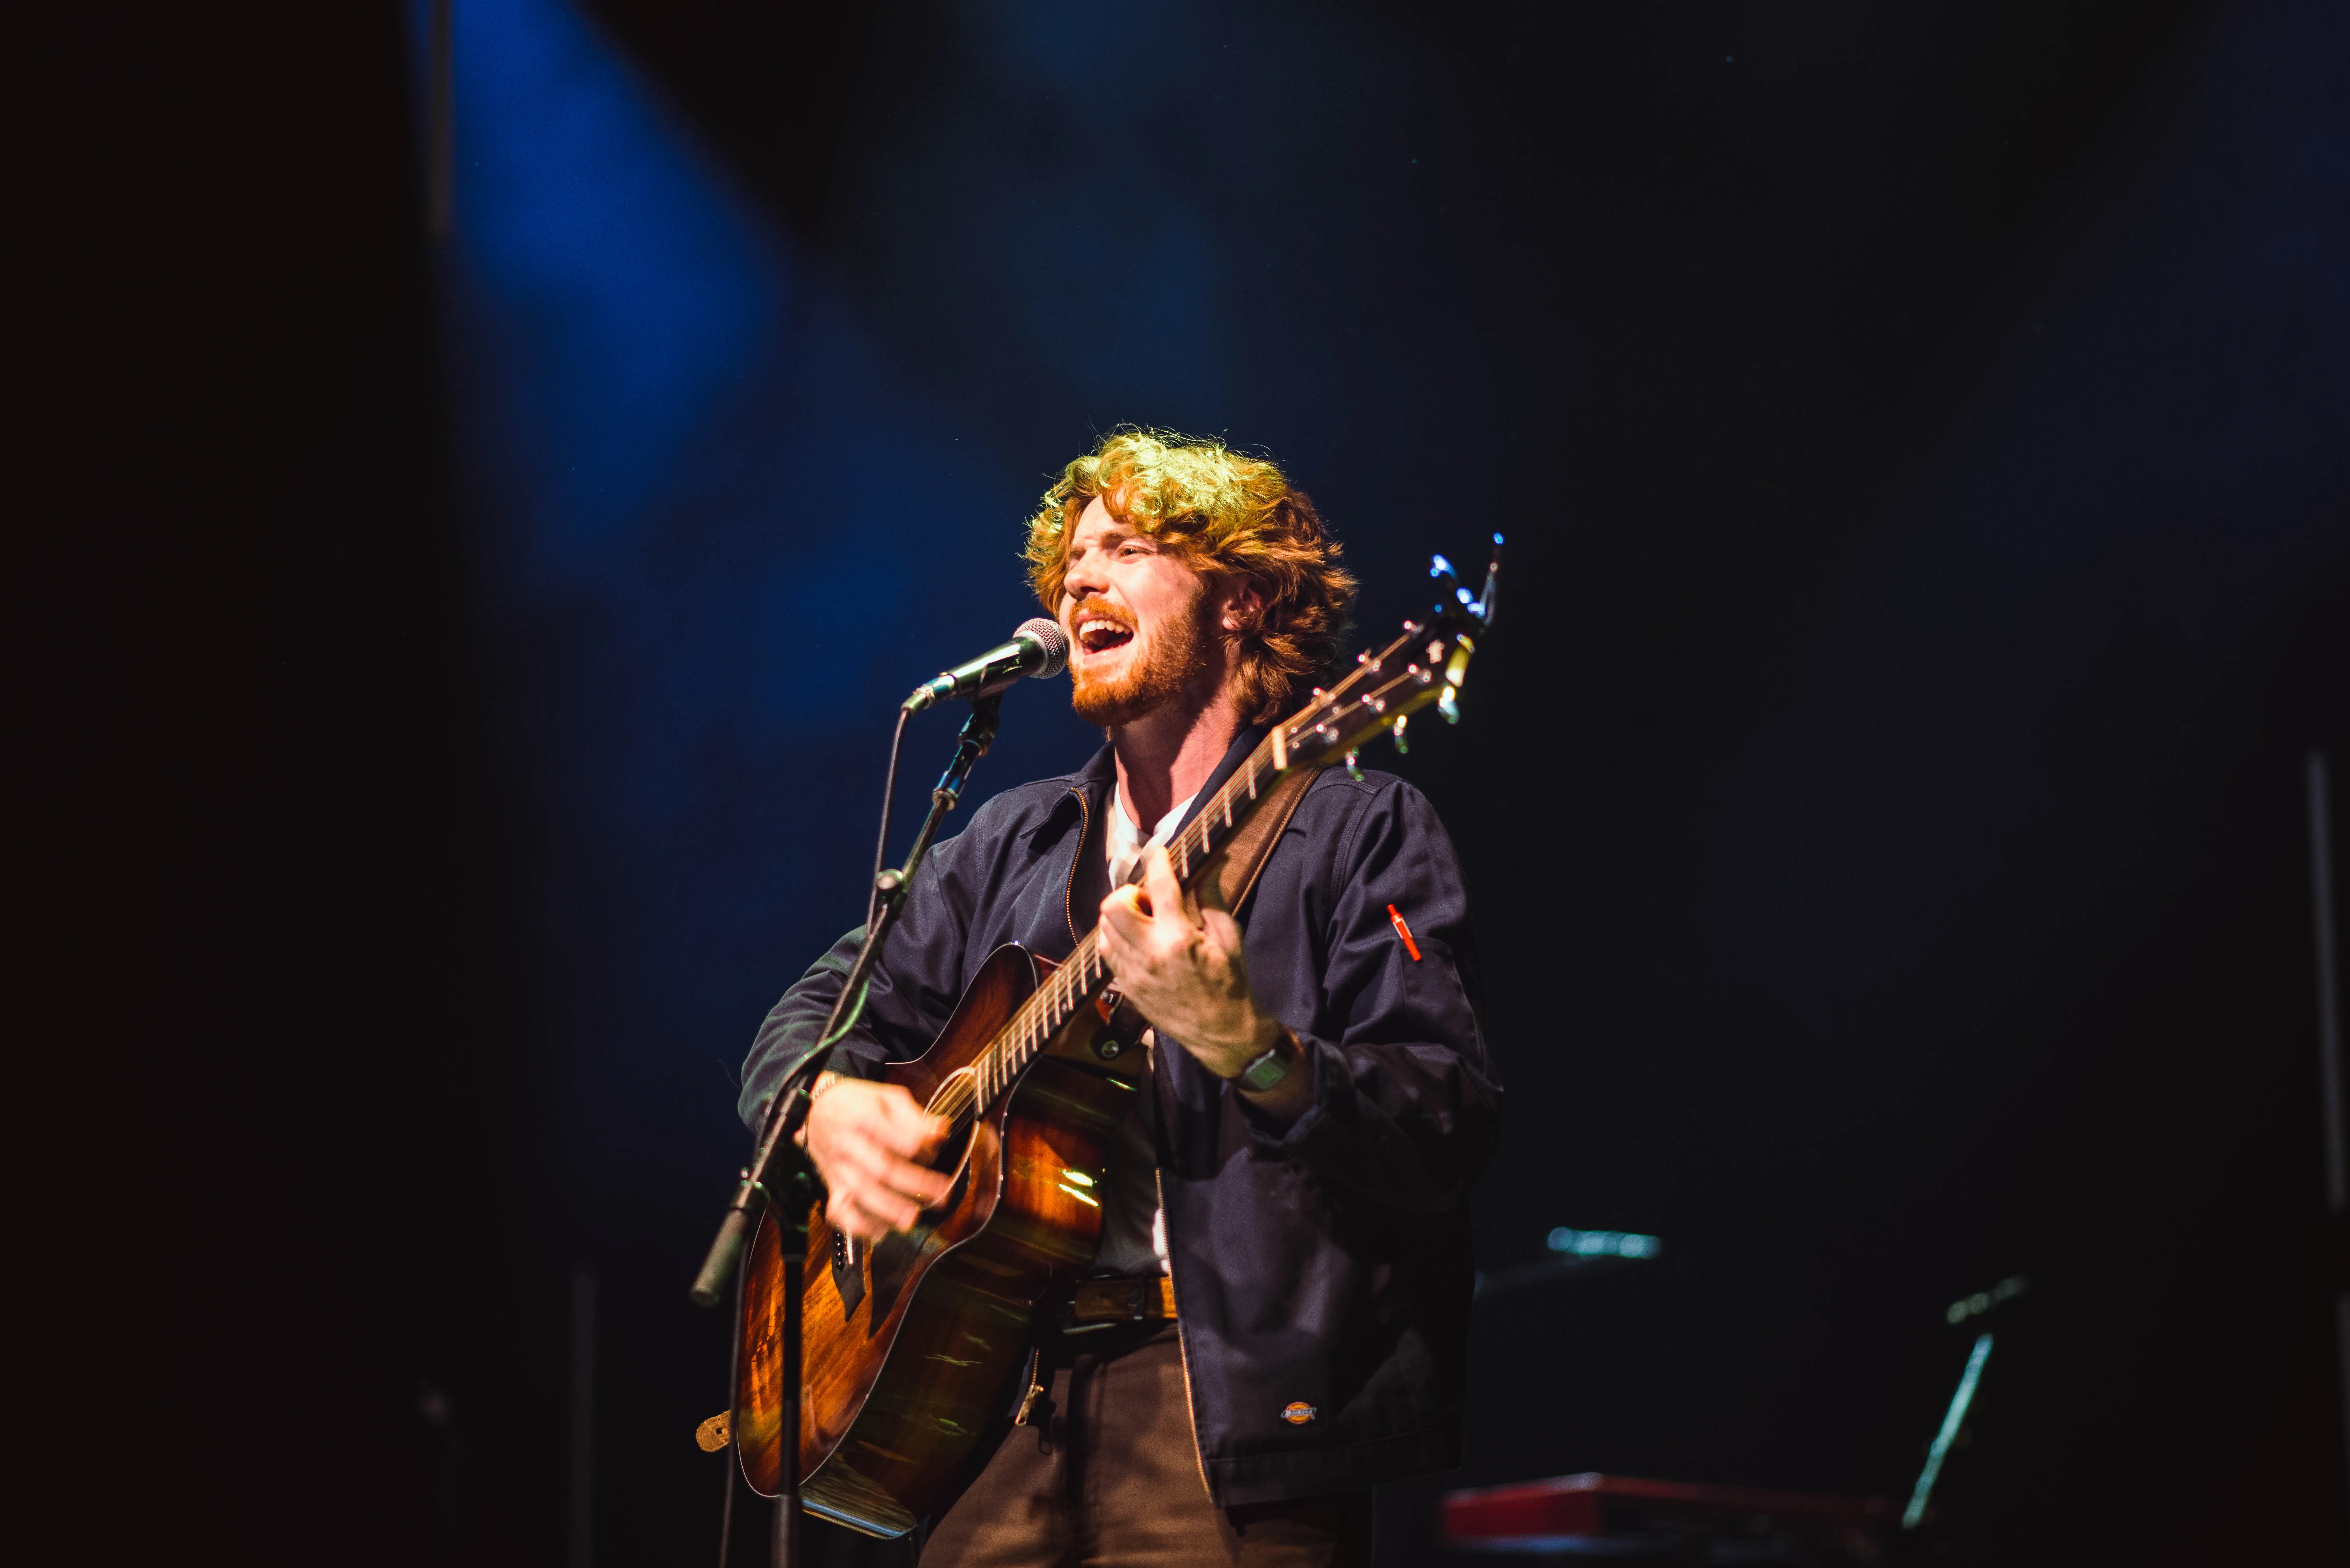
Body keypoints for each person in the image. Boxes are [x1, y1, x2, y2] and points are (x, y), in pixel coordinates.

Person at [740, 430, 1499, 1566]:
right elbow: (813, 1015)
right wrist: (823, 1109)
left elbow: (1445, 1124)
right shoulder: (1015, 838)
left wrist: (1252, 1047)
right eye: (1072, 560)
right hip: (995, 1407)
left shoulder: (1358, 828)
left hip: (1227, 1415)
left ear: (1241, 601)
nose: (1080, 581)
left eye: (1129, 550)